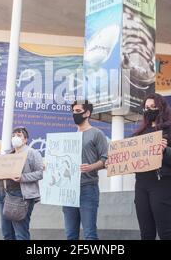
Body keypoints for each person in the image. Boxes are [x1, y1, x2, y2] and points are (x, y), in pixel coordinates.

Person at [132, 93, 171, 240]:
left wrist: (165, 150)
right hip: (141, 185)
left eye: (153, 107)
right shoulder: (138, 134)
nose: (149, 110)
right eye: (146, 107)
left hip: (163, 184)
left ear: (162, 109)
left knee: (165, 233)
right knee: (146, 234)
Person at [62, 100, 108, 240]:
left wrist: (91, 167)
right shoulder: (70, 137)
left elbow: (106, 160)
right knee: (70, 234)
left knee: (89, 234)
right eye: (73, 111)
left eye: (77, 111)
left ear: (87, 113)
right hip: (69, 190)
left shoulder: (97, 134)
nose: (74, 114)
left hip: (88, 188)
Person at [0, 126, 44, 240]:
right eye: (13, 136)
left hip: (22, 196)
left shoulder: (32, 153)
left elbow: (40, 173)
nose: (15, 138)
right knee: (7, 233)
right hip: (5, 195)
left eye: (19, 135)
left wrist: (22, 177)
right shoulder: (7, 154)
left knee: (20, 233)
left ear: (25, 139)